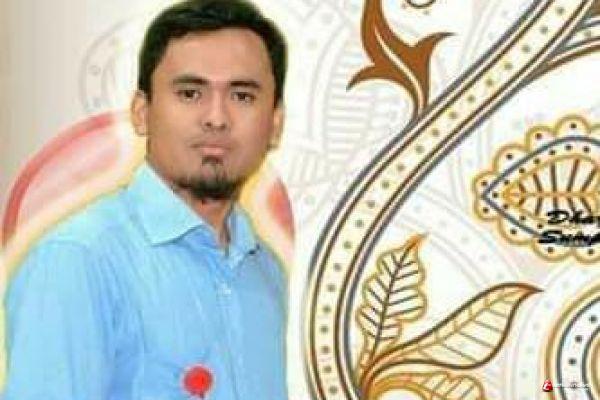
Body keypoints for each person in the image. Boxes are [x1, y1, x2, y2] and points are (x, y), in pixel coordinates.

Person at [3, 0, 288, 399]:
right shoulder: (78, 260)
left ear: (275, 123)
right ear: (141, 112)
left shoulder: (265, 272)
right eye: (190, 93)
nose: (217, 117)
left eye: (242, 96)